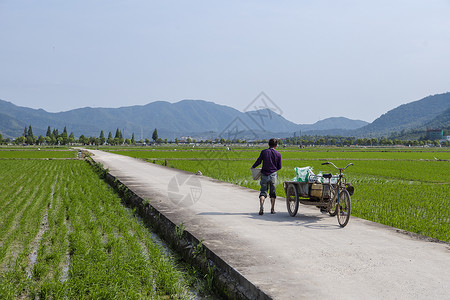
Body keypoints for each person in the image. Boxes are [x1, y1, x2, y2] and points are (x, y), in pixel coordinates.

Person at [251, 138, 282, 215]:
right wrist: (274, 169)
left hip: (264, 174)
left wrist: (253, 167)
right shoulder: (278, 154)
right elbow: (279, 166)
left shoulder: (264, 152)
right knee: (273, 193)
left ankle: (261, 207)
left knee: (263, 192)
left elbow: (259, 161)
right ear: (276, 146)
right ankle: (272, 209)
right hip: (273, 175)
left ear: (268, 144)